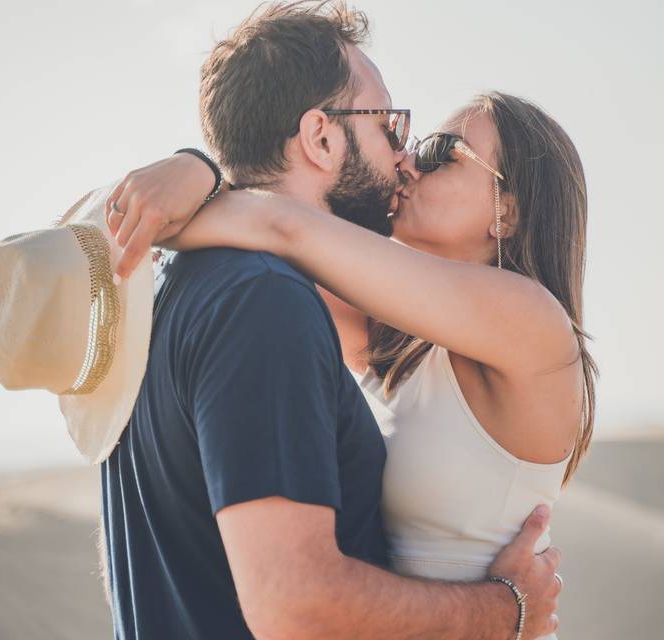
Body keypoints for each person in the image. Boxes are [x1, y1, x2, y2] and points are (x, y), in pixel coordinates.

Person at [96, 2, 562, 639]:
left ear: (505, 211)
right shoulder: (277, 304)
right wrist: (505, 609)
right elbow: (284, 228)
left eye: (438, 150)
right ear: (320, 137)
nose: (407, 162)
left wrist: (198, 175)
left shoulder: (529, 322)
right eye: (396, 132)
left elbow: (284, 226)